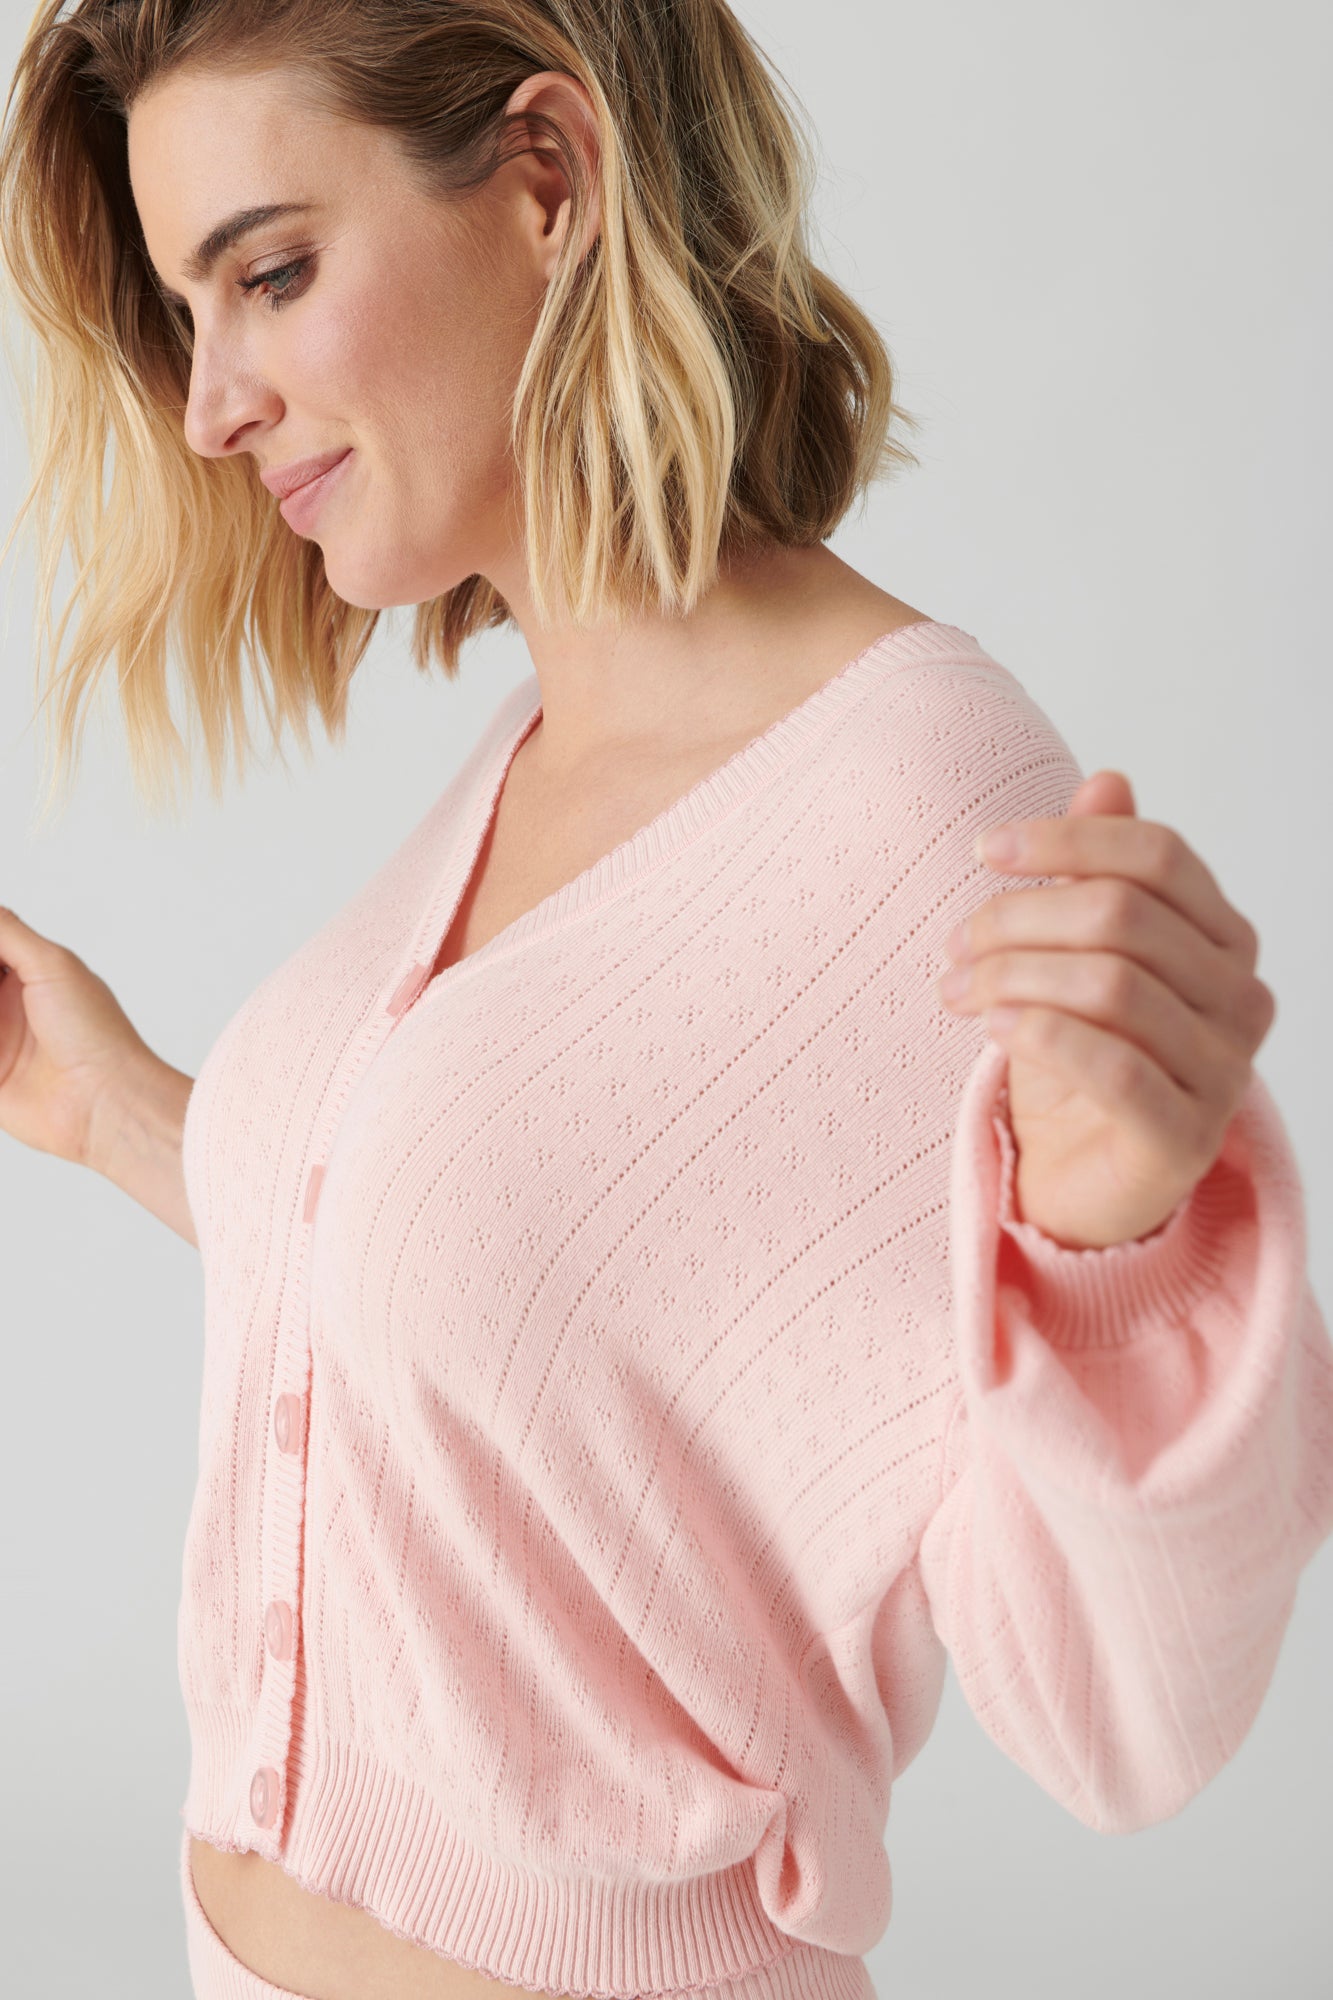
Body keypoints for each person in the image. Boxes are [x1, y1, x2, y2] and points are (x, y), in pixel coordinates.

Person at [1, 6, 1330, 2000]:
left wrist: (1119, 1232)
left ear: (546, 175)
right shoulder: (539, 753)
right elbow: (545, 1352)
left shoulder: (923, 811)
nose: (209, 406)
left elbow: (1127, 1719)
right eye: (193, 316)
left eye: (268, 275)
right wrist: (123, 1109)